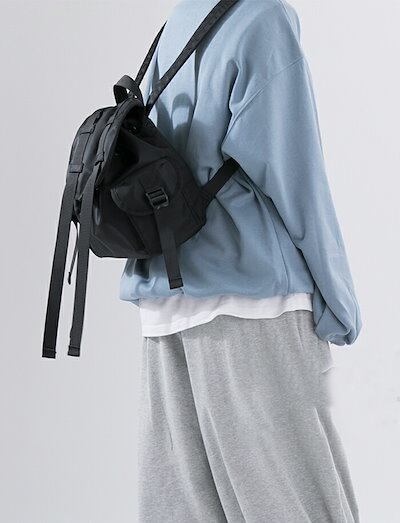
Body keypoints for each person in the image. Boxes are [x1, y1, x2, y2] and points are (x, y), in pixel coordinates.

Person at [120, 0, 362, 521]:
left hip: (165, 303)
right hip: (252, 301)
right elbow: (296, 176)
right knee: (298, 502)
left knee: (182, 510)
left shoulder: (179, 22)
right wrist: (338, 299)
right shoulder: (262, 18)